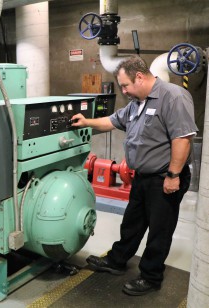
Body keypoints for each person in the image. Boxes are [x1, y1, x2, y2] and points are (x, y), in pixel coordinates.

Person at [71, 55, 198, 296]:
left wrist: (173, 175)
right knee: (132, 221)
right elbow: (111, 121)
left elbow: (182, 139)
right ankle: (117, 260)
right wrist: (86, 121)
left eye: (125, 85)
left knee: (160, 229)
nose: (124, 90)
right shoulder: (137, 102)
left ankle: (151, 276)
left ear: (139, 77)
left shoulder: (173, 96)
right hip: (142, 177)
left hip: (164, 177)